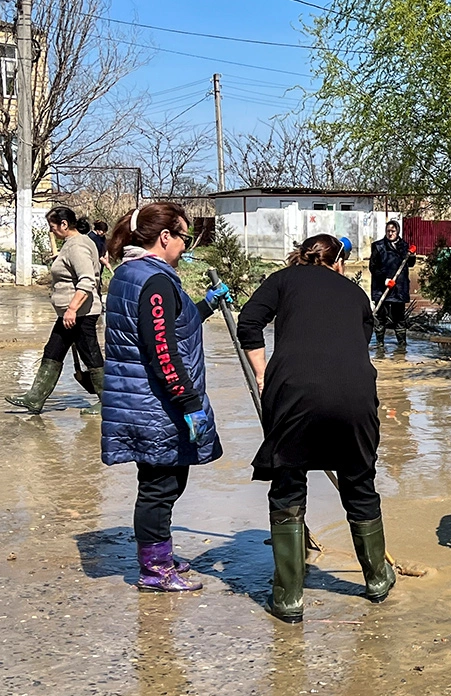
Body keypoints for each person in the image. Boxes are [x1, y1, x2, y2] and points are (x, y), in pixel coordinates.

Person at [237, 233, 395, 624]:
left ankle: (289, 598)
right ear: (338, 262)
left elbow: (249, 322)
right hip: (355, 392)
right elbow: (359, 342)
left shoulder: (282, 280)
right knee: (359, 479)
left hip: (293, 390)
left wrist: (263, 374)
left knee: (289, 482)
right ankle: (377, 579)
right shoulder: (355, 293)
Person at [100, 202, 229, 592]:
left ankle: (160, 555)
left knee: (164, 483)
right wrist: (189, 402)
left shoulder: (132, 273)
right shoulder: (154, 280)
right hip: (155, 403)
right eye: (184, 237)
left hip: (146, 398)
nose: (186, 246)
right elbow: (162, 350)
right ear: (165, 237)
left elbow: (172, 326)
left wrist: (206, 304)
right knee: (160, 488)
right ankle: (154, 570)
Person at [6, 206, 104, 415]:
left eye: (53, 226)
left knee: (90, 355)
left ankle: (108, 401)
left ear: (64, 224)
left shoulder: (77, 246)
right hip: (70, 313)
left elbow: (87, 280)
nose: (51, 231)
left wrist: (72, 308)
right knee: (53, 351)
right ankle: (35, 398)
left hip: (80, 313)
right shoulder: (75, 243)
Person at [368, 219, 416, 351]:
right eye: (388, 231)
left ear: (398, 231)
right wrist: (383, 279)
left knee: (399, 318)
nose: (390, 233)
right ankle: (380, 345)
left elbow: (410, 264)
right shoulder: (378, 246)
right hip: (381, 288)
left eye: (393, 231)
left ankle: (402, 346)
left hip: (399, 288)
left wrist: (412, 256)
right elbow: (373, 267)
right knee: (380, 317)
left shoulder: (404, 246)